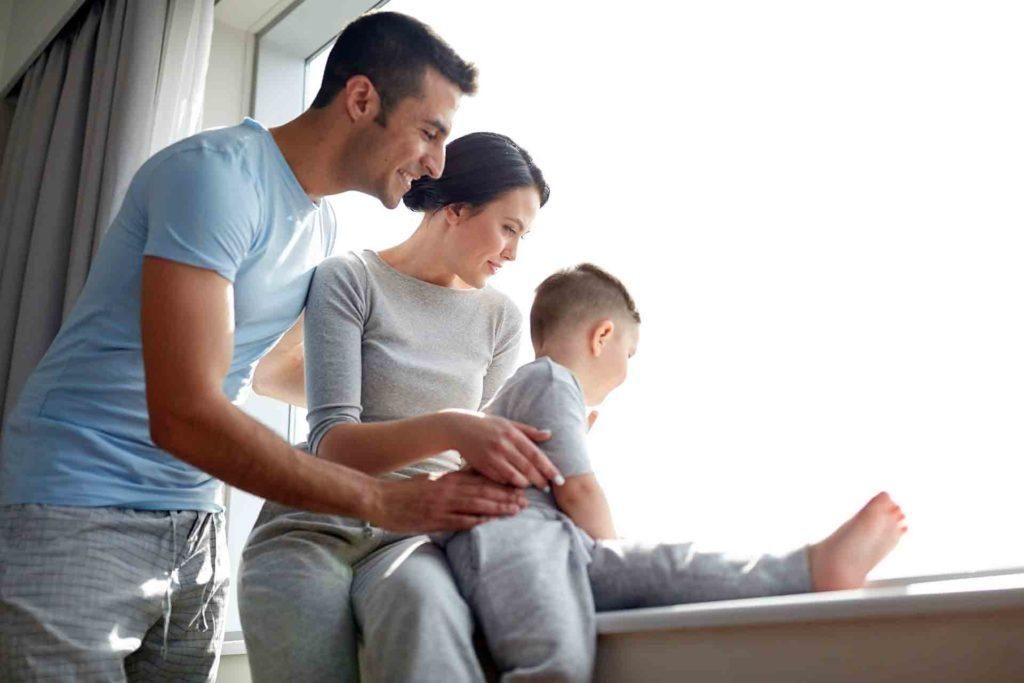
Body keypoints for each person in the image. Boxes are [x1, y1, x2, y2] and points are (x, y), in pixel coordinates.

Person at [0, 12, 554, 681]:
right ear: (360, 100)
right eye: (431, 131)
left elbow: (272, 374)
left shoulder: (319, 231)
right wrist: (380, 499)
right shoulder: (216, 178)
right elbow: (184, 411)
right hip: (77, 511)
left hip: (196, 528)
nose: (438, 163)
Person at [442, 263, 910, 681]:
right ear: (602, 336)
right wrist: (611, 555)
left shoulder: (537, 391)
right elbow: (579, 491)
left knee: (670, 565)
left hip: (552, 542)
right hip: (508, 538)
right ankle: (807, 570)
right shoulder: (550, 379)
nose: (627, 368)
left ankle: (807, 569)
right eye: (630, 352)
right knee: (554, 665)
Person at [239, 131, 559, 682]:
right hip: (312, 525)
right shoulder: (351, 279)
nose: (514, 252)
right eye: (509, 229)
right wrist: (453, 426)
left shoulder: (500, 319)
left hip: (416, 532)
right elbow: (333, 444)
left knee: (428, 626)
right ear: (456, 209)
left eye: (522, 236)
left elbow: (474, 458)